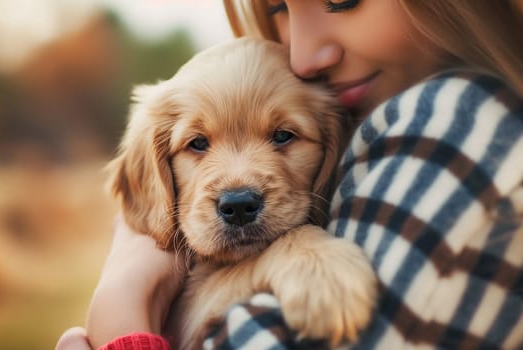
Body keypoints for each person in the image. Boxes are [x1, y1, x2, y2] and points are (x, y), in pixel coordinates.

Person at [56, 0, 523, 349]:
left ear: (333, 142)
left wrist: (123, 298)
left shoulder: (455, 127)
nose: (238, 187)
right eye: (197, 144)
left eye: (282, 136)